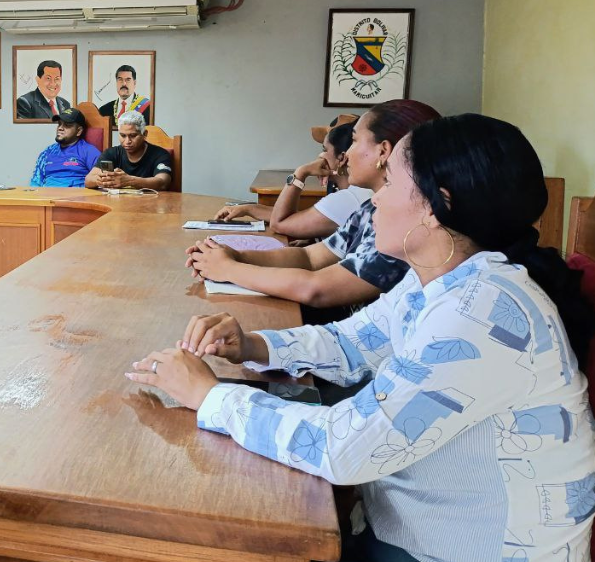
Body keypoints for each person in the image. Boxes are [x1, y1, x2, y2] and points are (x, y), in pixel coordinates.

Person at [128, 114, 595, 562]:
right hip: (409, 530)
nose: (375, 200)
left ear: (436, 206)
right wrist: (253, 345)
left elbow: (341, 448)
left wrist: (210, 395)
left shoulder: (481, 313)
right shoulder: (442, 277)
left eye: (390, 182)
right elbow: (352, 343)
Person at [186, 100, 440, 309]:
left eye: (354, 141)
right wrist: (235, 256)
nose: (346, 154)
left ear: (383, 152)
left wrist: (229, 269)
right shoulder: (371, 208)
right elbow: (309, 257)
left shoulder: (404, 222)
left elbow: (317, 289)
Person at [215, 118, 371, 240]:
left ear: (342, 158)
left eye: (324, 150)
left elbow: (280, 223)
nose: (320, 156)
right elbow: (298, 219)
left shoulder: (348, 198)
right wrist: (247, 209)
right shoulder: (355, 192)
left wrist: (301, 173)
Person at [84, 110, 171, 191]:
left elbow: (163, 183)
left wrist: (130, 181)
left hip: (149, 204)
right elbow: (88, 180)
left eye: (133, 135)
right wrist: (103, 180)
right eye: (123, 135)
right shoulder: (111, 153)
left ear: (144, 134)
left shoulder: (160, 154)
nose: (127, 141)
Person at [30, 108, 100, 188]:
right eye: (59, 124)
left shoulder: (89, 152)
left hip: (75, 198)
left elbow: (101, 180)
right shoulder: (47, 152)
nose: (60, 128)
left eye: (67, 125)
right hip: (46, 198)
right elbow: (35, 183)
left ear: (79, 131)